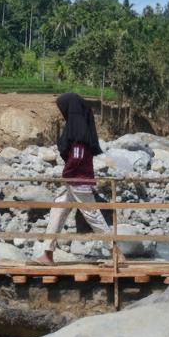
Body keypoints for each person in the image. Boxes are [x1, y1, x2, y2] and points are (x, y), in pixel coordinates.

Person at [31, 94, 116, 266]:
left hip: (79, 180)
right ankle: (48, 254)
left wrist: (67, 172)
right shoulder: (78, 129)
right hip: (73, 181)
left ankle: (116, 253)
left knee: (92, 215)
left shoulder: (78, 131)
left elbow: (77, 156)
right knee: (58, 210)